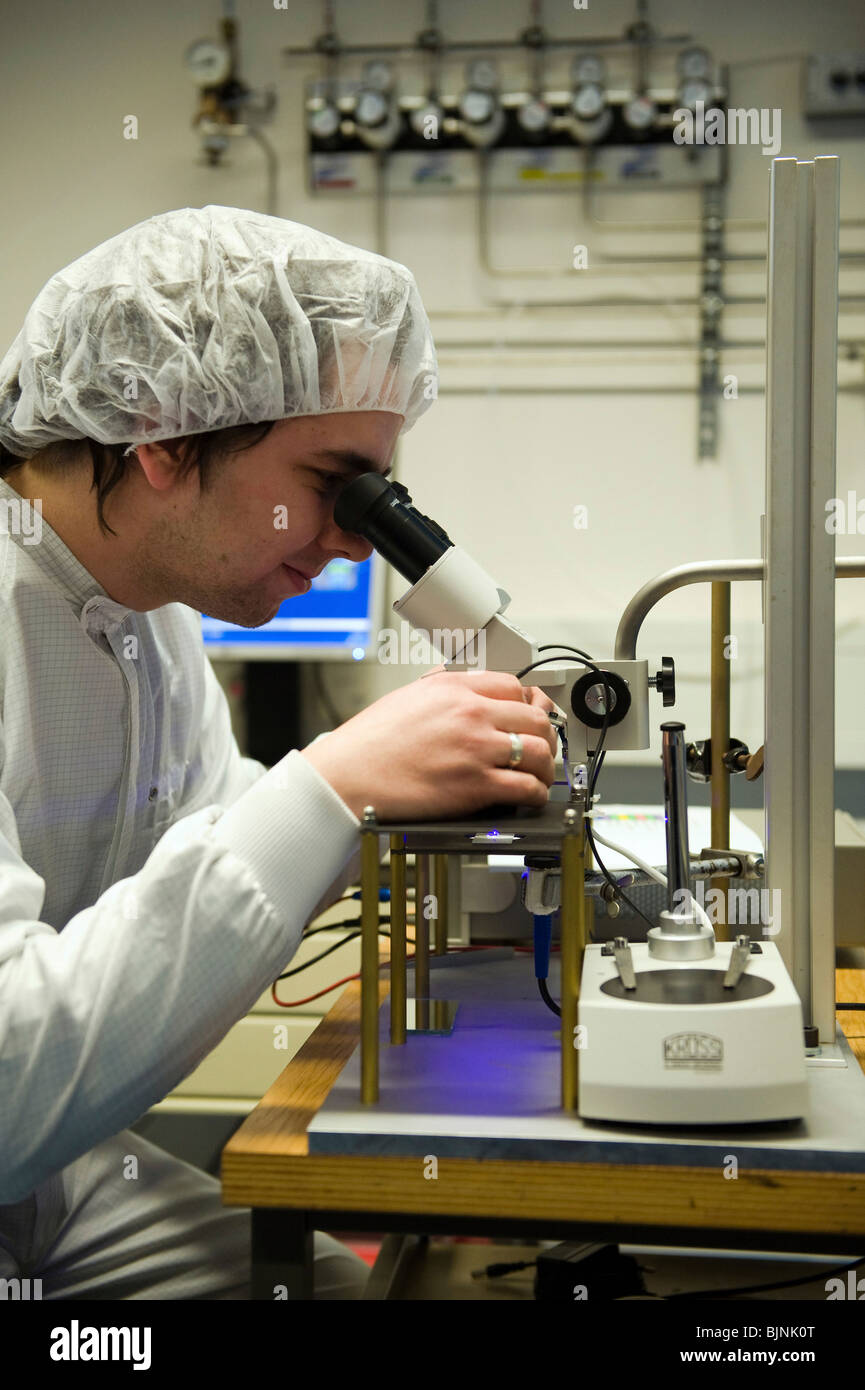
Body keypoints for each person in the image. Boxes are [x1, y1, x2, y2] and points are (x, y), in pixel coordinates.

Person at [0, 205, 557, 1299]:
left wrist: (405, 805)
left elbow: (207, 835)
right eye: (332, 484)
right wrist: (334, 784)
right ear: (159, 433)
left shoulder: (142, 606)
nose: (356, 539)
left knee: (334, 1294)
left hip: (52, 1185)